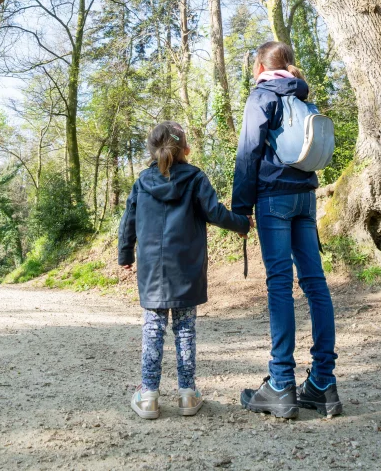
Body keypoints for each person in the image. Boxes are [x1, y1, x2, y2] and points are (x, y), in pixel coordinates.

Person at [232, 41, 341, 419]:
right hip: (306, 198)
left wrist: (241, 207)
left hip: (273, 198)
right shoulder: (302, 96)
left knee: (280, 285)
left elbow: (248, 151)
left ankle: (280, 384)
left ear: (261, 64)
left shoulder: (262, 96)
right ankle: (324, 384)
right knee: (315, 283)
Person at [118, 120, 250, 419]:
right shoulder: (195, 178)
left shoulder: (142, 182)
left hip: (152, 269)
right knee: (185, 330)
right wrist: (242, 224)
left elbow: (127, 221)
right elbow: (215, 212)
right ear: (185, 149)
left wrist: (125, 254)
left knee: (153, 329)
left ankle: (149, 396)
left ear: (152, 149)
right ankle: (188, 395)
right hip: (187, 266)